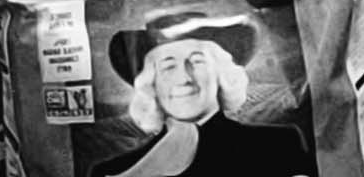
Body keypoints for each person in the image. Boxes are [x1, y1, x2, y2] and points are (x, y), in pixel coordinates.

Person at [96, 14, 306, 177]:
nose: (184, 78)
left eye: (197, 62)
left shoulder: (277, 146)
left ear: (221, 75)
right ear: (151, 84)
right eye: (168, 67)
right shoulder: (117, 171)